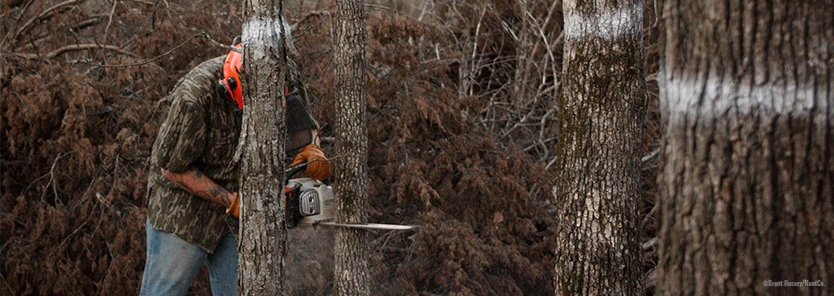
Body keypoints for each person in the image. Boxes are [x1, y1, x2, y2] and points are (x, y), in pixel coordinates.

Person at [139, 44, 331, 295]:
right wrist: (232, 202)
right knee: (164, 289)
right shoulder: (195, 96)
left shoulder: (283, 73)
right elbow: (171, 168)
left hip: (241, 212)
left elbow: (303, 123)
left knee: (240, 290)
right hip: (183, 210)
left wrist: (313, 150)